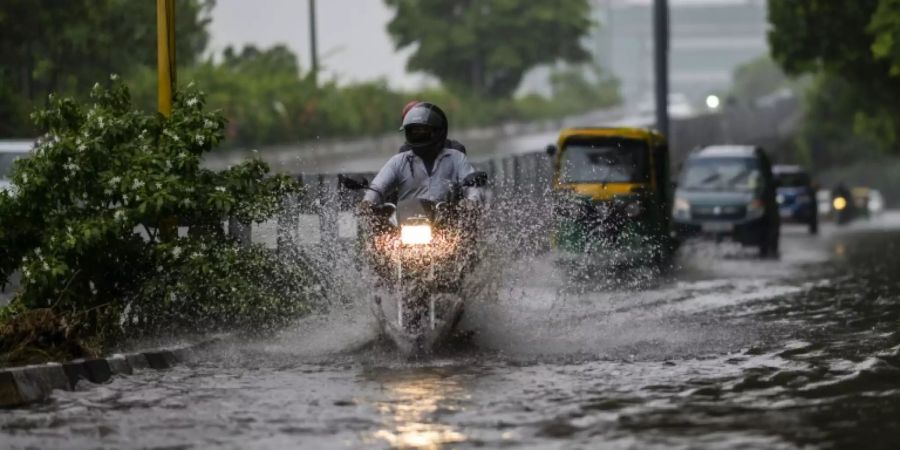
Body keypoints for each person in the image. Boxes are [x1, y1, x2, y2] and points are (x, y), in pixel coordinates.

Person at [360, 102, 482, 209]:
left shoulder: (457, 158)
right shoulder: (398, 161)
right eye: (414, 131)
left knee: (468, 231)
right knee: (380, 233)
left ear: (438, 131)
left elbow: (472, 188)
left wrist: (471, 201)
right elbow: (378, 186)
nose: (418, 135)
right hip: (405, 225)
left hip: (448, 223)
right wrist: (367, 202)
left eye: (423, 131)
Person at [398, 100, 467, 155]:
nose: (419, 134)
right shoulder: (404, 153)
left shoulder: (455, 149)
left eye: (423, 129)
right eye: (414, 130)